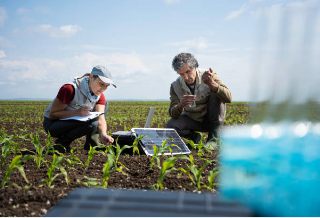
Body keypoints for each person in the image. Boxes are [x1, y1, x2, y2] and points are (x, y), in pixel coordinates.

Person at [165, 53, 232, 148]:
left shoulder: (209, 76)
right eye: (181, 74)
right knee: (171, 125)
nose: (186, 77)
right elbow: (173, 113)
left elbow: (228, 98)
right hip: (193, 120)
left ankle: (213, 139)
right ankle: (194, 137)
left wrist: (212, 84)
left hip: (211, 120)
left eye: (188, 71)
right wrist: (181, 105)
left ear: (195, 67)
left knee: (216, 93)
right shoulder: (175, 86)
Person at [43, 65, 115, 153]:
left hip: (73, 120)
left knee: (104, 105)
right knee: (91, 124)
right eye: (101, 84)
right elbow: (52, 115)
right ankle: (61, 144)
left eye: (107, 86)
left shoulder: (99, 95)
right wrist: (76, 113)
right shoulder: (69, 89)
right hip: (52, 124)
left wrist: (103, 135)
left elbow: (101, 118)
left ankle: (92, 143)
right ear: (91, 77)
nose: (103, 89)